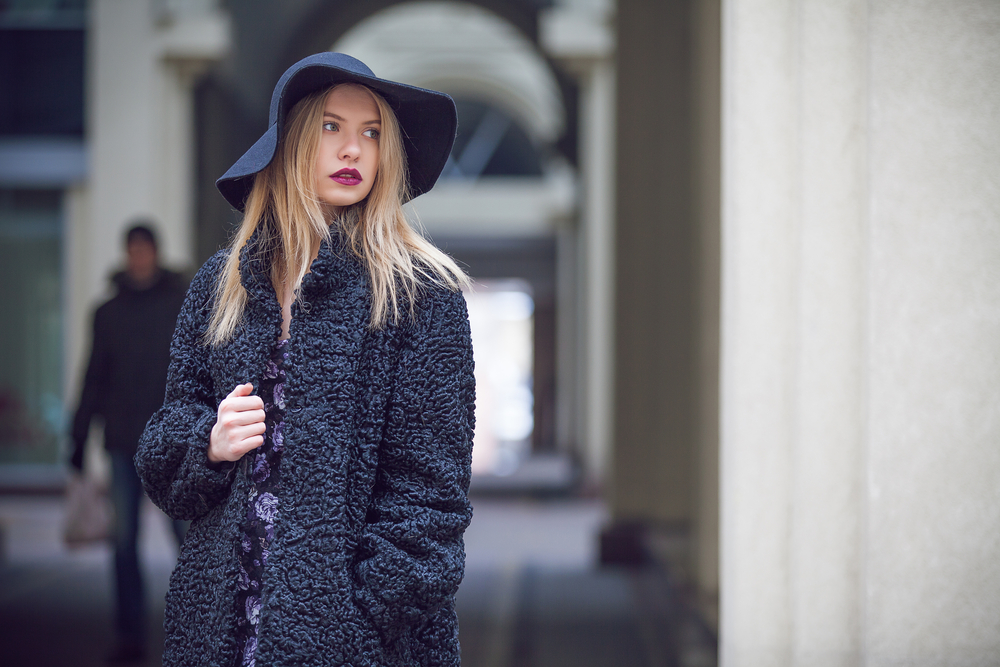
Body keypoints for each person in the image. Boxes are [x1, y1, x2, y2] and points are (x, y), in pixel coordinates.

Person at [134, 52, 476, 667]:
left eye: (371, 133)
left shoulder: (420, 295)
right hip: (223, 629)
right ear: (288, 143)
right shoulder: (223, 286)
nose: (354, 150)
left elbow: (431, 499)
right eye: (331, 127)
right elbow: (162, 449)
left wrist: (356, 622)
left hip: (357, 642)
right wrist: (208, 442)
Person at [70, 222, 189, 663]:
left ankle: (199, 622)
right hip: (122, 441)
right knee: (123, 542)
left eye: (146, 250)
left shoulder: (179, 303)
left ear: (155, 253)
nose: (139, 257)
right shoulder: (108, 312)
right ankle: (129, 632)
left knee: (189, 539)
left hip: (174, 442)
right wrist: (78, 436)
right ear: (126, 255)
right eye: (133, 250)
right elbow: (93, 377)